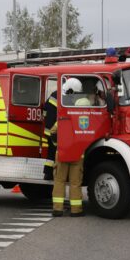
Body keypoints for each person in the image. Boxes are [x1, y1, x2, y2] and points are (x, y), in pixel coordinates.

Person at [52, 78, 85, 217]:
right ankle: (76, 210)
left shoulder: (63, 117)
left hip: (63, 153)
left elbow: (53, 132)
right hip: (77, 154)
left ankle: (57, 209)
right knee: (75, 183)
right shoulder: (83, 118)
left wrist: (57, 145)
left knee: (59, 181)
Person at [43, 88, 58, 180]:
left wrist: (46, 117)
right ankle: (51, 174)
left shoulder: (53, 95)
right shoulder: (62, 96)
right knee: (54, 152)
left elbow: (44, 111)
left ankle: (47, 174)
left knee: (51, 152)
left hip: (48, 129)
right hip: (55, 130)